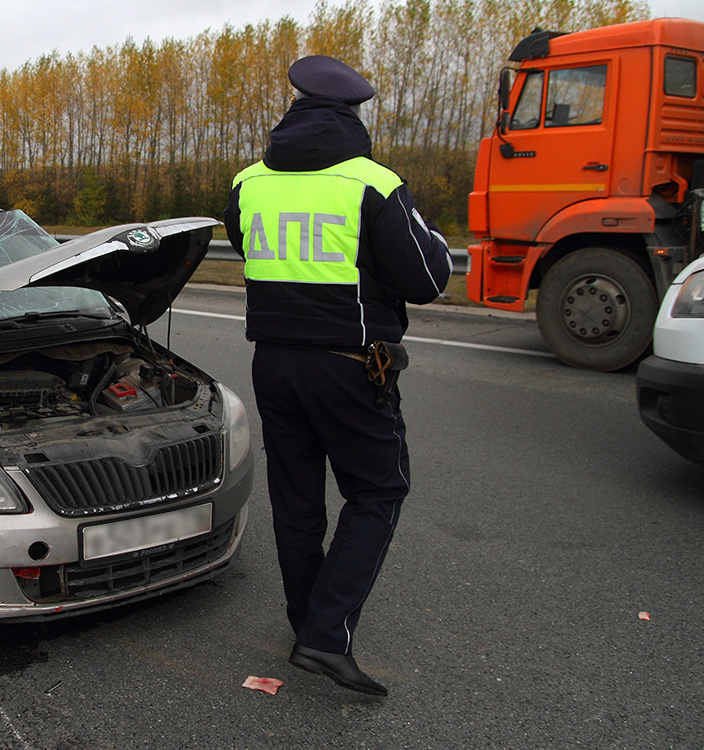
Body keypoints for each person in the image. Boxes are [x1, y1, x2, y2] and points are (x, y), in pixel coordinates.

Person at [223, 55, 452, 697]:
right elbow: (428, 279)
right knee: (379, 491)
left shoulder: (249, 182)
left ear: (293, 112)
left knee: (297, 501)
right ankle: (324, 637)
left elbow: (252, 250)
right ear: (353, 115)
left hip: (273, 361)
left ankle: (307, 625)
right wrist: (422, 231)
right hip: (350, 366)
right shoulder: (373, 184)